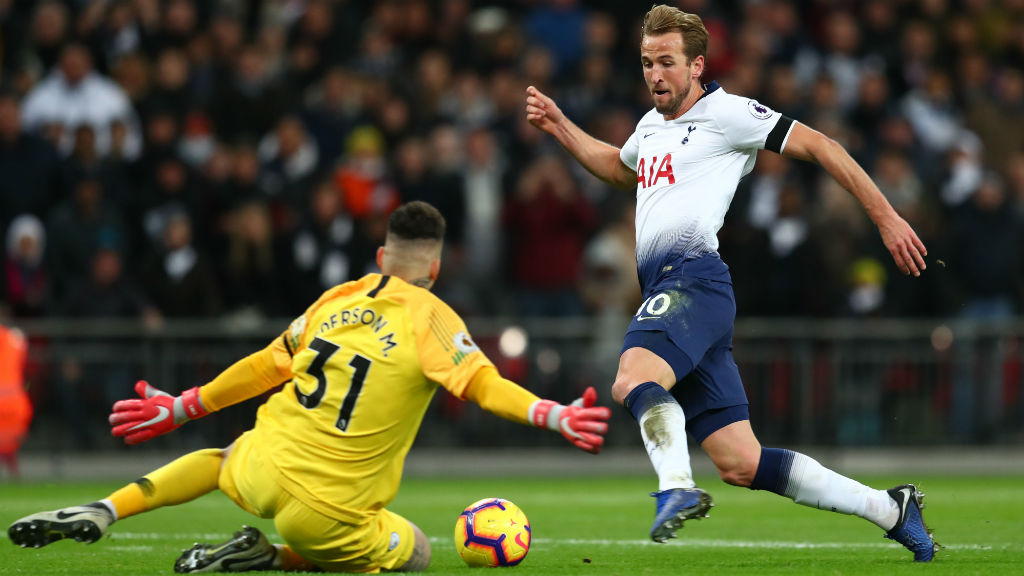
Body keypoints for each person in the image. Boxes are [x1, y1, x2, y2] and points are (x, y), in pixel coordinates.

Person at [524, 4, 935, 562]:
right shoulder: (651, 126)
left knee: (632, 378)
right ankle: (891, 509)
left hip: (694, 281)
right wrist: (559, 125)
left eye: (666, 63)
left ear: (696, 65)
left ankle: (675, 486)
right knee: (741, 461)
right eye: (647, 63)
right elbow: (620, 169)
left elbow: (824, 146)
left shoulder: (730, 114)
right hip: (674, 294)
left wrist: (887, 218)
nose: (654, 75)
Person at [8, 201, 612, 573]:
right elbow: (481, 384)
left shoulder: (336, 299)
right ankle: (269, 558)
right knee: (419, 552)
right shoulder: (431, 315)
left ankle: (109, 506)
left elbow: (265, 366)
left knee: (221, 461)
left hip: (264, 463)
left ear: (381, 256)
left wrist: (183, 405)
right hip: (326, 510)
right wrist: (550, 414)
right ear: (434, 269)